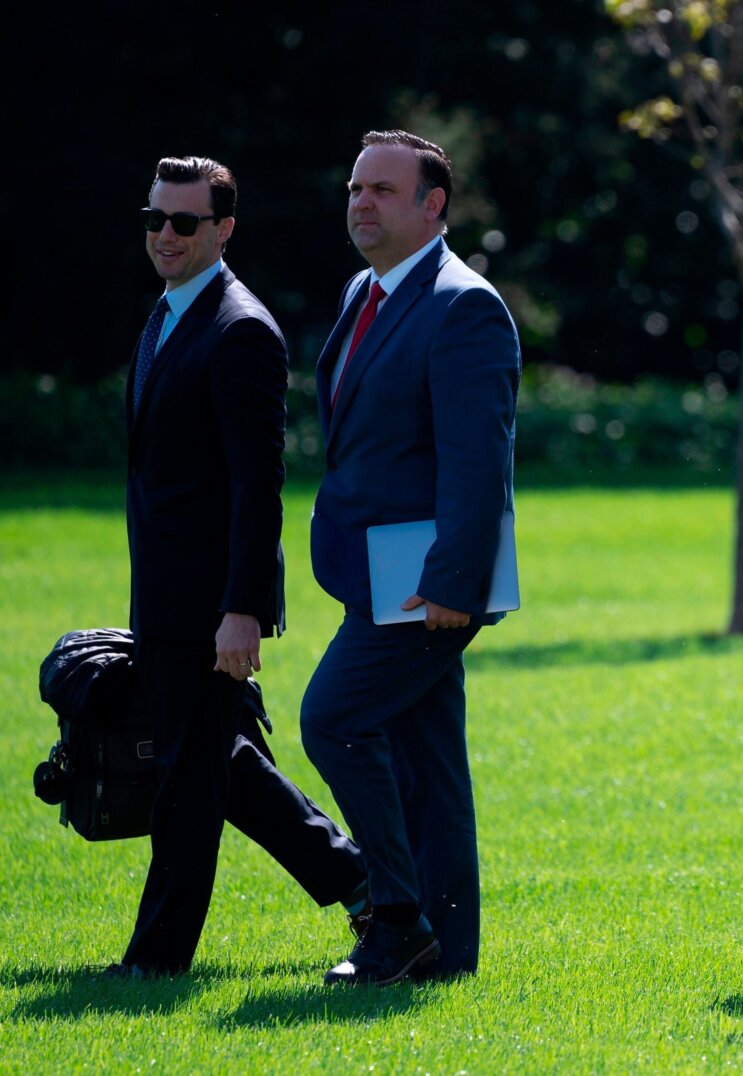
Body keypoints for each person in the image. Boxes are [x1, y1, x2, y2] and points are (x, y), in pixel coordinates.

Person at [111, 156, 368, 977]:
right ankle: (364, 883)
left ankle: (156, 960)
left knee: (188, 778)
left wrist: (242, 608)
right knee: (220, 759)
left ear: (223, 229)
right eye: (154, 219)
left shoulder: (240, 327)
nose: (165, 236)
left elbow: (260, 485)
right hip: (165, 593)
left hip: (210, 603)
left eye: (184, 223)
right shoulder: (168, 314)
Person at [300, 131, 521, 986]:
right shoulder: (367, 289)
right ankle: (442, 952)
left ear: (433, 206)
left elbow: (479, 463)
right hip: (376, 569)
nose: (362, 202)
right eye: (356, 188)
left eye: (384, 191)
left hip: (430, 579)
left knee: (333, 718)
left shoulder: (465, 304)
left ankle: (393, 915)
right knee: (428, 762)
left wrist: (454, 586)